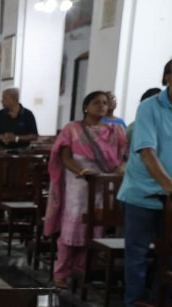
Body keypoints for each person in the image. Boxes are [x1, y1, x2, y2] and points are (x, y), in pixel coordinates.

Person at [43, 90, 128, 289]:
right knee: (72, 228)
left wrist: (117, 173)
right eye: (97, 102)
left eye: (105, 103)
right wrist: (82, 171)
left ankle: (83, 270)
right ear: (86, 107)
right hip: (78, 182)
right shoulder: (72, 129)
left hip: (103, 182)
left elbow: (122, 157)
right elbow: (65, 158)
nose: (102, 106)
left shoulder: (115, 131)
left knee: (95, 226)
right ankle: (61, 272)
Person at [117, 59, 172, 307]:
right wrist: (170, 186)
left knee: (168, 254)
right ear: (168, 78)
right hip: (142, 193)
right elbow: (147, 153)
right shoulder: (149, 108)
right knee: (137, 254)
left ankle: (160, 305)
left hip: (169, 197)